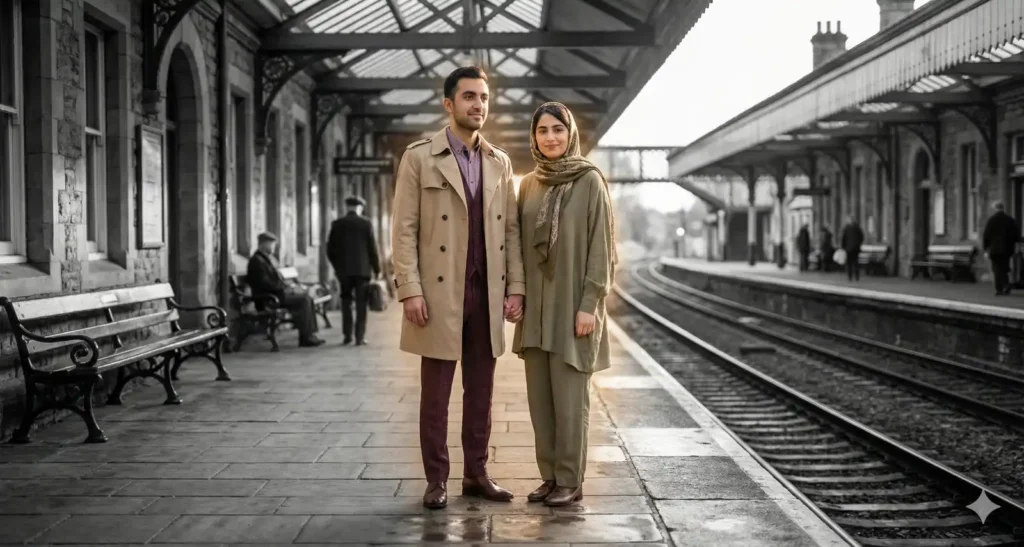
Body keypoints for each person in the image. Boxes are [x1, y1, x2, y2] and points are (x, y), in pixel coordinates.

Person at [390, 66, 525, 510]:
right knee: (436, 396)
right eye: (469, 96)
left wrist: (516, 287)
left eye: (483, 97)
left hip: (486, 294)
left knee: (481, 394)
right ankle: (436, 480)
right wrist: (410, 289)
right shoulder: (419, 157)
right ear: (449, 104)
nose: (478, 105)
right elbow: (403, 229)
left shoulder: (500, 162)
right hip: (438, 294)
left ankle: (477, 474)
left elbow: (511, 232)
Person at [511, 102, 616, 507]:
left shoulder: (590, 180)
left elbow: (602, 250)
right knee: (541, 401)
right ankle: (550, 477)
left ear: (570, 133)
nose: (550, 137)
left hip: (573, 309)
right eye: (542, 130)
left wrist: (590, 303)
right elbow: (518, 245)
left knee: (570, 402)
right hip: (536, 312)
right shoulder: (529, 185)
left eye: (558, 129)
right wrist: (515, 292)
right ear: (533, 137)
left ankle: (571, 480)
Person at [246, 232, 324, 347]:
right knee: (304, 300)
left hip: (275, 295)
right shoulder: (257, 261)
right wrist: (284, 289)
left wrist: (287, 287)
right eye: (270, 244)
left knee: (307, 298)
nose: (273, 247)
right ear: (262, 245)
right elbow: (263, 284)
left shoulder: (266, 259)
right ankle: (306, 337)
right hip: (268, 299)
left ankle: (310, 335)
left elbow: (274, 280)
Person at [326, 195, 381, 345]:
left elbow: (330, 249)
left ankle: (347, 335)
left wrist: (337, 266)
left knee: (346, 302)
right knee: (361, 304)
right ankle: (359, 337)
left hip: (344, 272)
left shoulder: (337, 224)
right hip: (362, 271)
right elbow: (372, 249)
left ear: (347, 207)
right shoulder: (366, 224)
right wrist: (377, 269)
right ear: (360, 208)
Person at [982, 201, 1020, 295]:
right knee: (1005, 267)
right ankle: (1006, 284)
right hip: (1007, 249)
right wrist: (1015, 245)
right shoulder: (1009, 219)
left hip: (994, 249)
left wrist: (985, 248)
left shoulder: (992, 220)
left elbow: (986, 235)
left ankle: (999, 288)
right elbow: (1016, 235)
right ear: (1003, 208)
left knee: (996, 268)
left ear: (995, 208)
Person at [840, 216, 864, 281]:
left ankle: (850, 276)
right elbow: (861, 237)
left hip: (849, 249)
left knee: (849, 263)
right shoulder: (857, 228)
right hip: (855, 248)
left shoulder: (847, 228)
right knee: (855, 262)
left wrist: (843, 247)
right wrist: (858, 244)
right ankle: (856, 276)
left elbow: (843, 238)